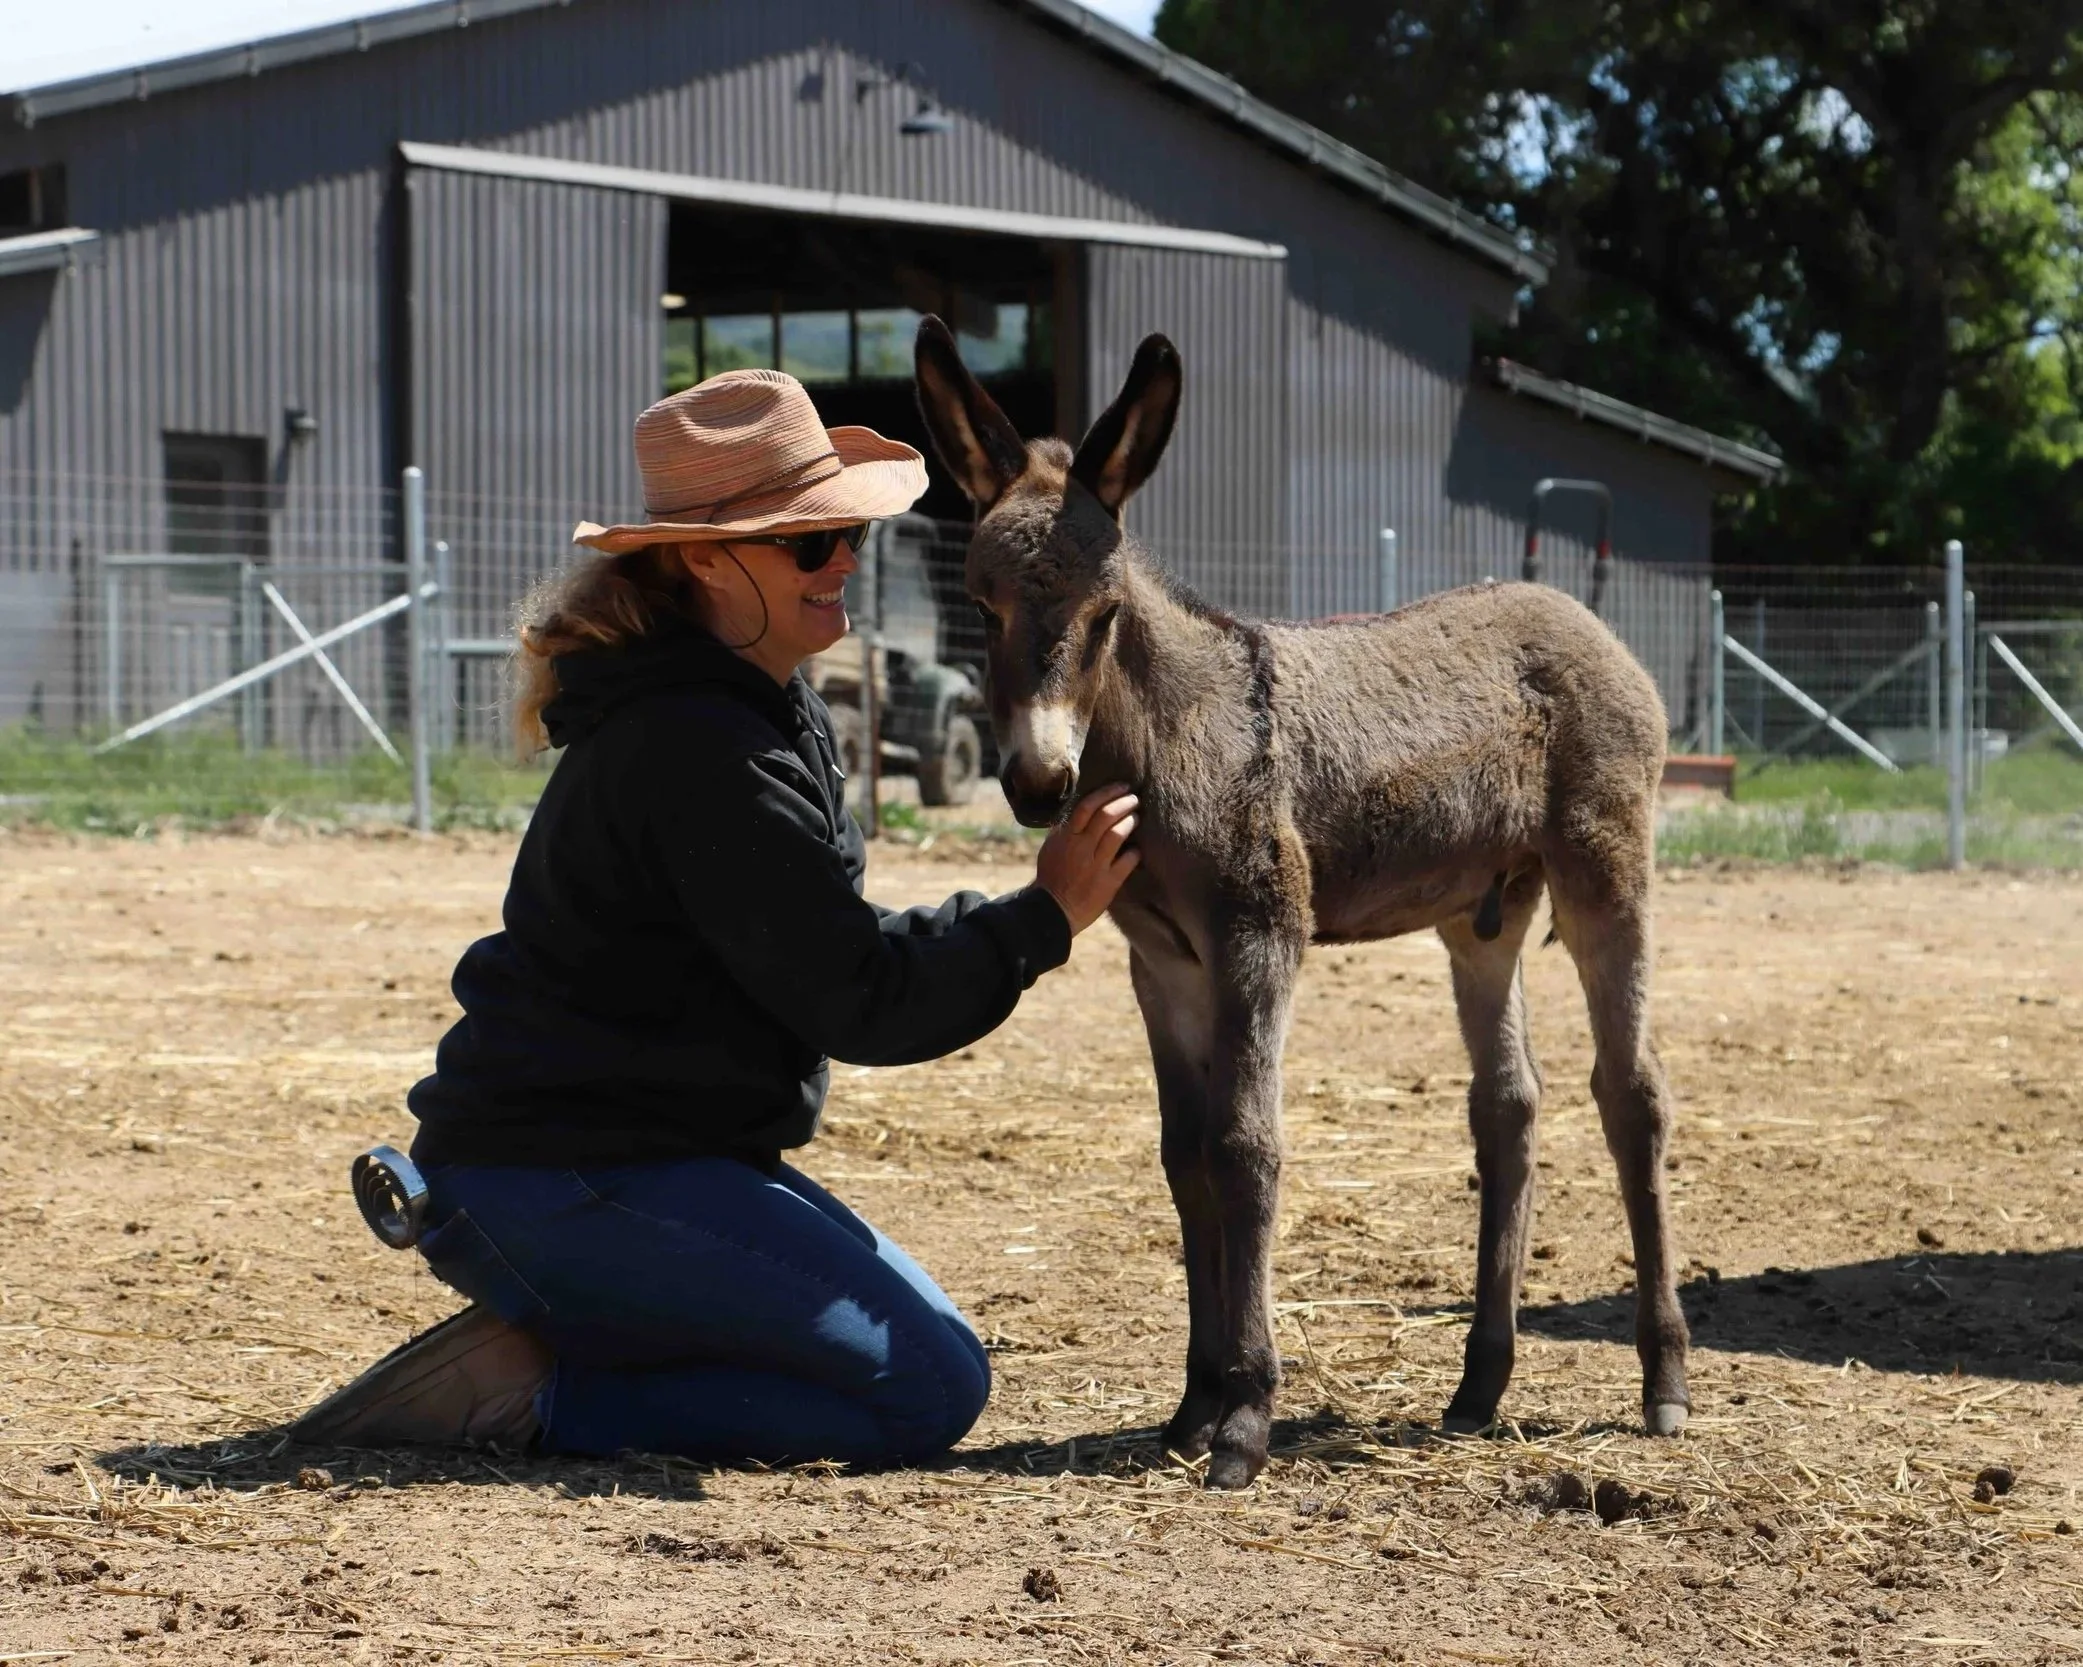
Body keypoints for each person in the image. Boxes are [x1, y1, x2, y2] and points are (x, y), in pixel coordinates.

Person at [292, 369, 1139, 1466]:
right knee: (923, 1390)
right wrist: (1042, 918)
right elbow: (860, 996)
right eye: (806, 544)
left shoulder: (756, 707)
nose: (841, 561)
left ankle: (578, 1327)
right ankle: (531, 1393)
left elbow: (827, 948)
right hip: (568, 1175)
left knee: (931, 1355)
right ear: (703, 559)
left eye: (847, 535)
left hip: (636, 1154)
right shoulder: (706, 747)